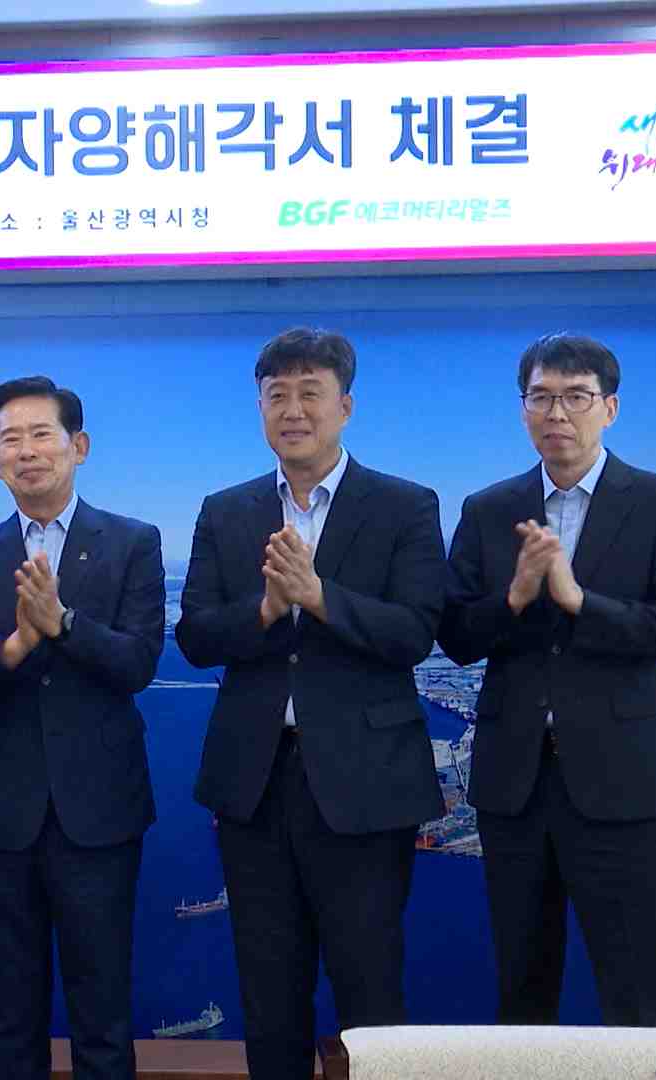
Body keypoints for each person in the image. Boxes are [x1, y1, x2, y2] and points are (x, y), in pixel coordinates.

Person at [175, 328, 447, 1080]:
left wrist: (319, 596)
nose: (292, 410)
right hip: (255, 784)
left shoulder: (403, 505)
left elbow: (416, 630)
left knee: (370, 987)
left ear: (345, 406)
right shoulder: (226, 511)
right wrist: (266, 609)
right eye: (277, 395)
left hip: (366, 784)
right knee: (268, 990)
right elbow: (195, 635)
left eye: (309, 393)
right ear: (260, 406)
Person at [439, 333, 656, 1027]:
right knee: (521, 988)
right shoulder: (487, 509)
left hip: (622, 783)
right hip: (514, 783)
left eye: (575, 397)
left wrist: (579, 601)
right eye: (540, 397)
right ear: (523, 409)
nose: (556, 412)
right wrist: (515, 596)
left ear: (609, 408)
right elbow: (456, 637)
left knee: (636, 989)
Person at [0, 376, 162, 1080]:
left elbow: (138, 663)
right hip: (4, 817)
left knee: (103, 1014)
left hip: (101, 813)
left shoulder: (132, 542)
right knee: (11, 1016)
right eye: (11, 440)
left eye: (41, 435)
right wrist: (13, 647)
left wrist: (62, 624)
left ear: (78, 446)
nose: (26, 451)